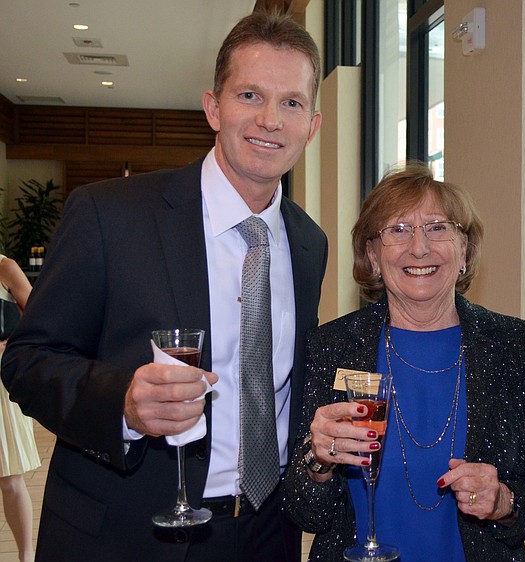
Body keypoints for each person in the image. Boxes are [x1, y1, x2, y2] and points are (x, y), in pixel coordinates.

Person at [1, 10, 327, 562]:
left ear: (312, 125)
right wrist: (123, 405)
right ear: (213, 108)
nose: (270, 119)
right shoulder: (110, 215)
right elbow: (29, 360)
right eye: (249, 95)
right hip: (125, 531)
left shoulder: (308, 243)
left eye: (291, 102)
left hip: (266, 534)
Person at [281, 163, 525, 561]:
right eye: (398, 230)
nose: (420, 248)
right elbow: (304, 512)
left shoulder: (511, 344)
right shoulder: (332, 345)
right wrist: (317, 462)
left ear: (465, 249)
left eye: (438, 227)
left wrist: (505, 503)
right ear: (373, 256)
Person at [0, 255, 39, 562]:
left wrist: (11, 343)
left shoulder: (5, 267)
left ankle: (26, 557)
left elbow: (40, 319)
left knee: (9, 477)